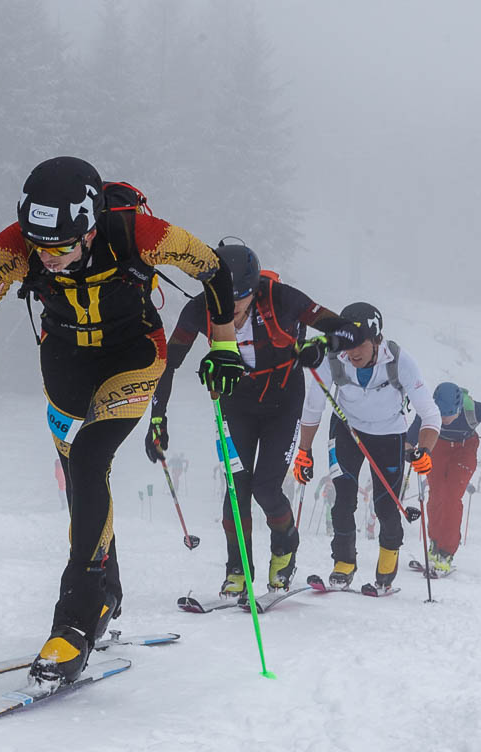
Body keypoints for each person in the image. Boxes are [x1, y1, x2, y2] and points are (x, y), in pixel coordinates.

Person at [0, 157, 237, 690]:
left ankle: (73, 617)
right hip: (65, 364)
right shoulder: (17, 244)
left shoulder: (138, 232)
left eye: (62, 248)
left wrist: (227, 346)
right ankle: (106, 596)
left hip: (134, 358)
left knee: (92, 458)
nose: (48, 259)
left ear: (91, 227)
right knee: (80, 477)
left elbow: (214, 269)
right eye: (40, 247)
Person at [144, 240, 348, 598]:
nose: (228, 308)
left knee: (266, 487)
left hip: (283, 403)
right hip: (235, 403)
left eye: (237, 298)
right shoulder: (197, 310)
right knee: (236, 487)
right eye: (219, 297)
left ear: (254, 291)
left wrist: (321, 347)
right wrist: (157, 420)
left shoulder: (281, 298)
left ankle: (284, 551)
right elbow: (168, 364)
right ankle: (237, 569)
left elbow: (341, 328)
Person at [292, 303, 440, 591]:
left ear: (377, 340)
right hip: (346, 429)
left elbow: (430, 413)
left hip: (389, 434)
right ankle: (344, 564)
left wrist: (425, 451)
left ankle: (387, 565)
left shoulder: (400, 361)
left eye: (359, 344)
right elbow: (313, 408)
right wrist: (303, 452)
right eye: (347, 344)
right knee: (342, 498)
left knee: (386, 506)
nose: (352, 352)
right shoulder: (331, 357)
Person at [417, 382, 481, 574]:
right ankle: (434, 544)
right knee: (436, 495)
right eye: (442, 415)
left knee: (451, 497)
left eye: (450, 414)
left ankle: (446, 552)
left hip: (464, 449)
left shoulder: (474, 410)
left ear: (459, 408)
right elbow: (417, 428)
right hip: (438, 445)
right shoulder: (429, 409)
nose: (446, 419)